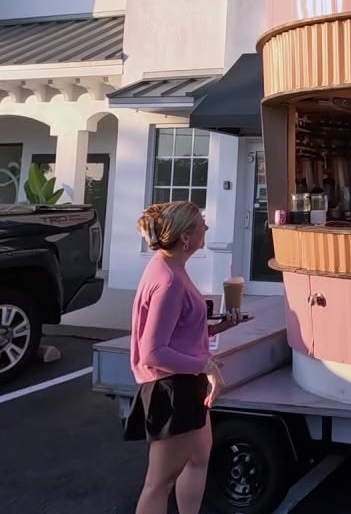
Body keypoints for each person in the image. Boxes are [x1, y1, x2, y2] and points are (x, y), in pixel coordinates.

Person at [124, 201, 239, 514]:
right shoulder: (170, 281)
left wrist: (218, 327)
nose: (207, 228)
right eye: (201, 222)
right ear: (185, 237)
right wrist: (207, 365)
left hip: (185, 385)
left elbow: (178, 331)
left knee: (199, 458)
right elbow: (153, 351)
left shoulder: (169, 267)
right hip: (172, 390)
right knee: (158, 484)